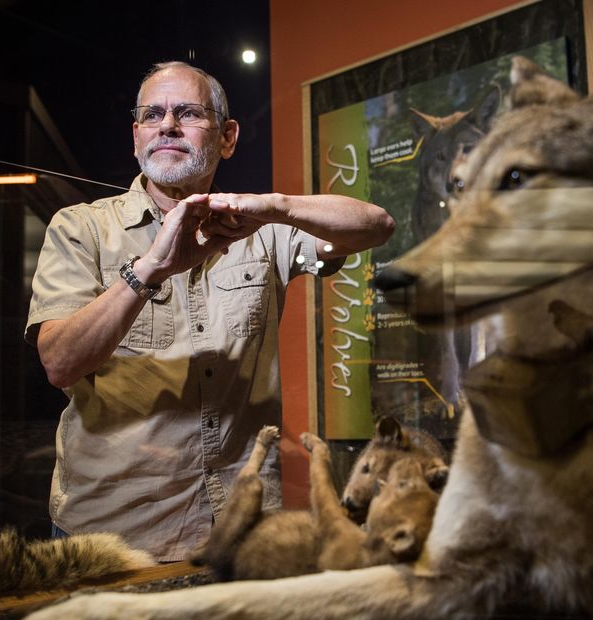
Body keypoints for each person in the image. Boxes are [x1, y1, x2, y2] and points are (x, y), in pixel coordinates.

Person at [25, 61, 394, 560]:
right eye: (152, 115)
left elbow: (375, 225)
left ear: (227, 137)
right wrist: (149, 269)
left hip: (241, 531)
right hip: (111, 536)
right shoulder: (80, 228)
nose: (167, 125)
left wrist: (276, 206)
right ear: (136, 136)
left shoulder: (259, 229)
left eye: (188, 113)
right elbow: (59, 362)